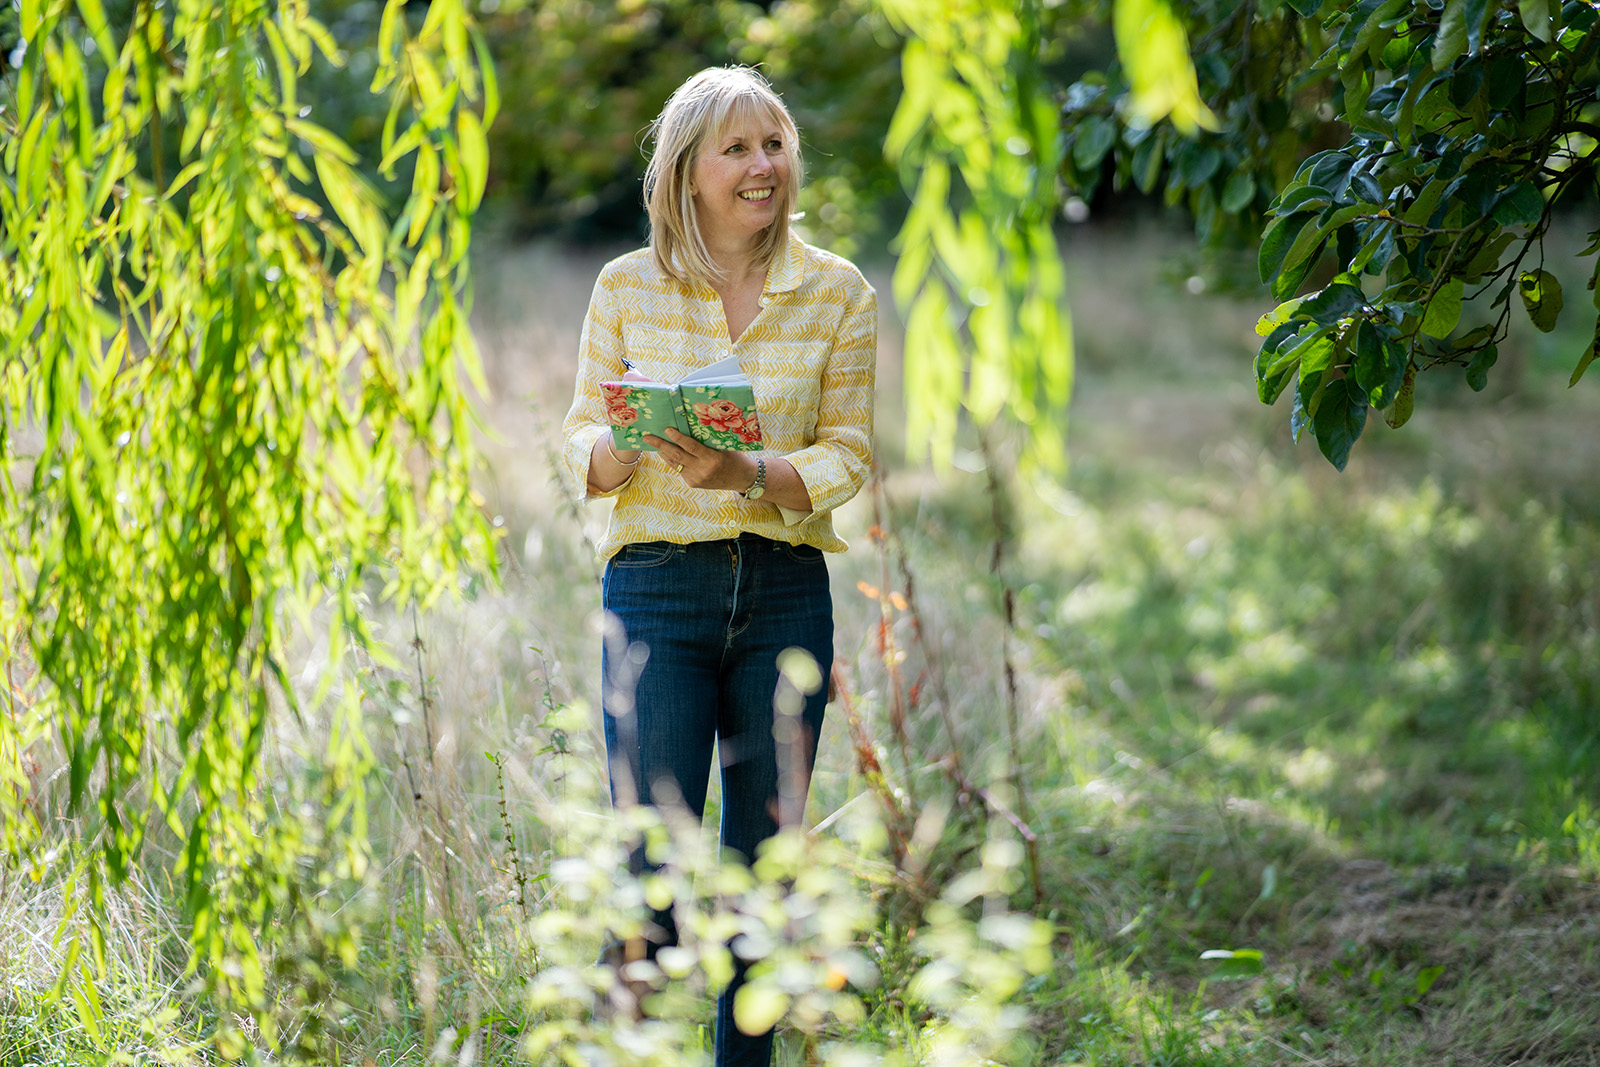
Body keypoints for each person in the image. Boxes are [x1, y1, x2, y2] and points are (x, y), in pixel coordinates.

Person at [559, 65, 877, 1067]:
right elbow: (578, 437)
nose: (761, 166)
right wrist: (623, 447)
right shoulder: (625, 286)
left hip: (784, 593)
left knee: (761, 871)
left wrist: (749, 468)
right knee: (647, 864)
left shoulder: (838, 293)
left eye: (773, 144)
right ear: (685, 173)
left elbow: (849, 455)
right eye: (736, 149)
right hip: (654, 589)